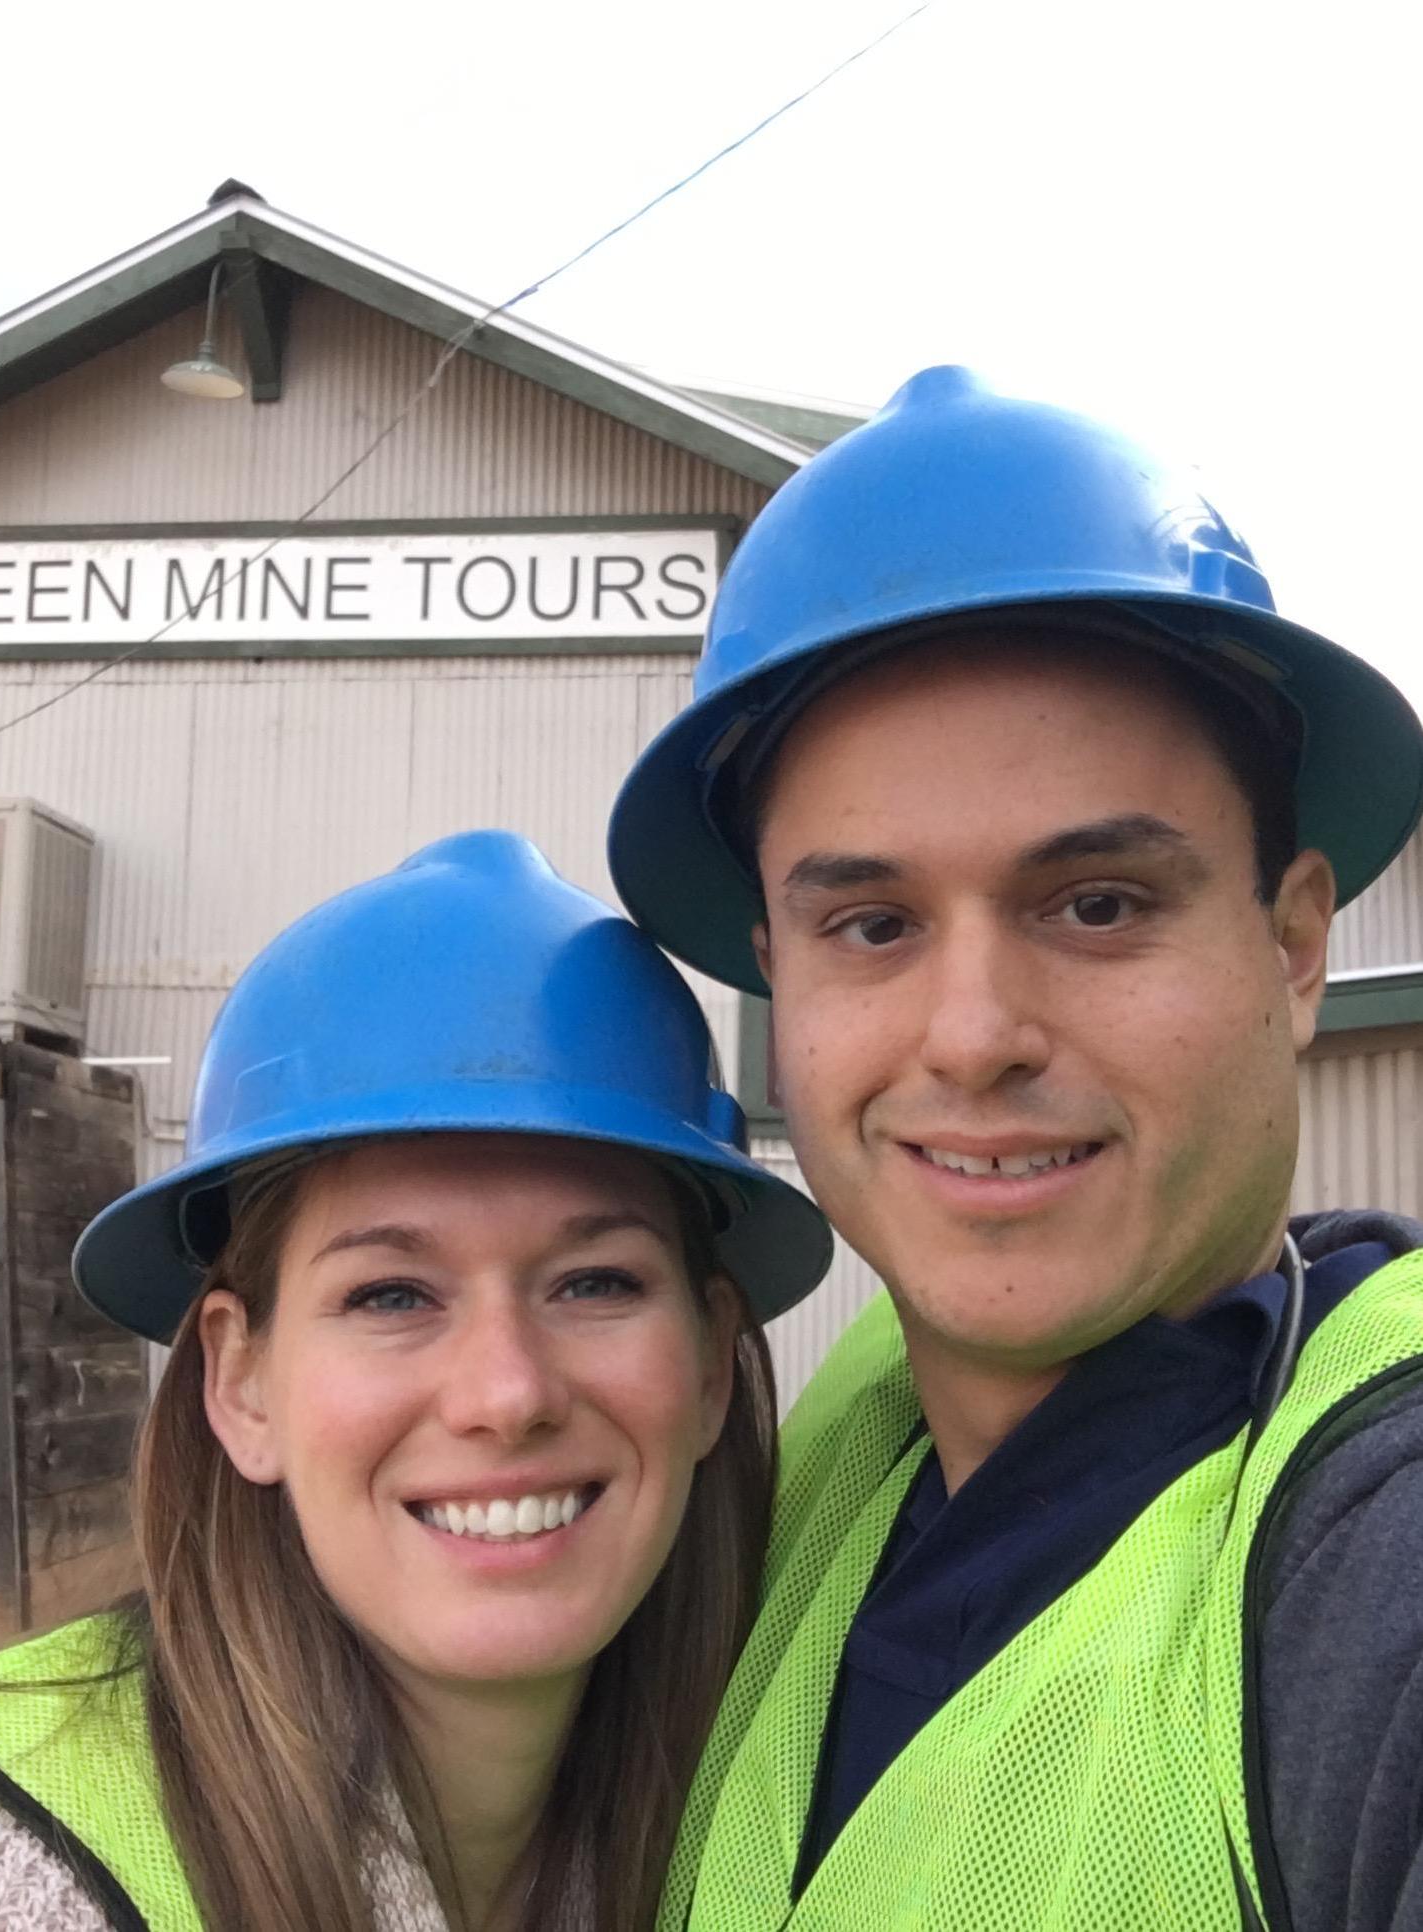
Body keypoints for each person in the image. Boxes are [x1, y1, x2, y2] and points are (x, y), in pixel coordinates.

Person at [607, 364, 1423, 1931]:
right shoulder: (837, 1470)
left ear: (1296, 945)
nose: (972, 1034)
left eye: (1098, 903)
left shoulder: (1365, 1566)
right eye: (873, 924)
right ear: (781, 983)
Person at [0, 829, 831, 1932]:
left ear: (707, 1366)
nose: (506, 1394)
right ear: (242, 1384)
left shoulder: (774, 1826)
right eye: (391, 1295)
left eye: (595, 1283)